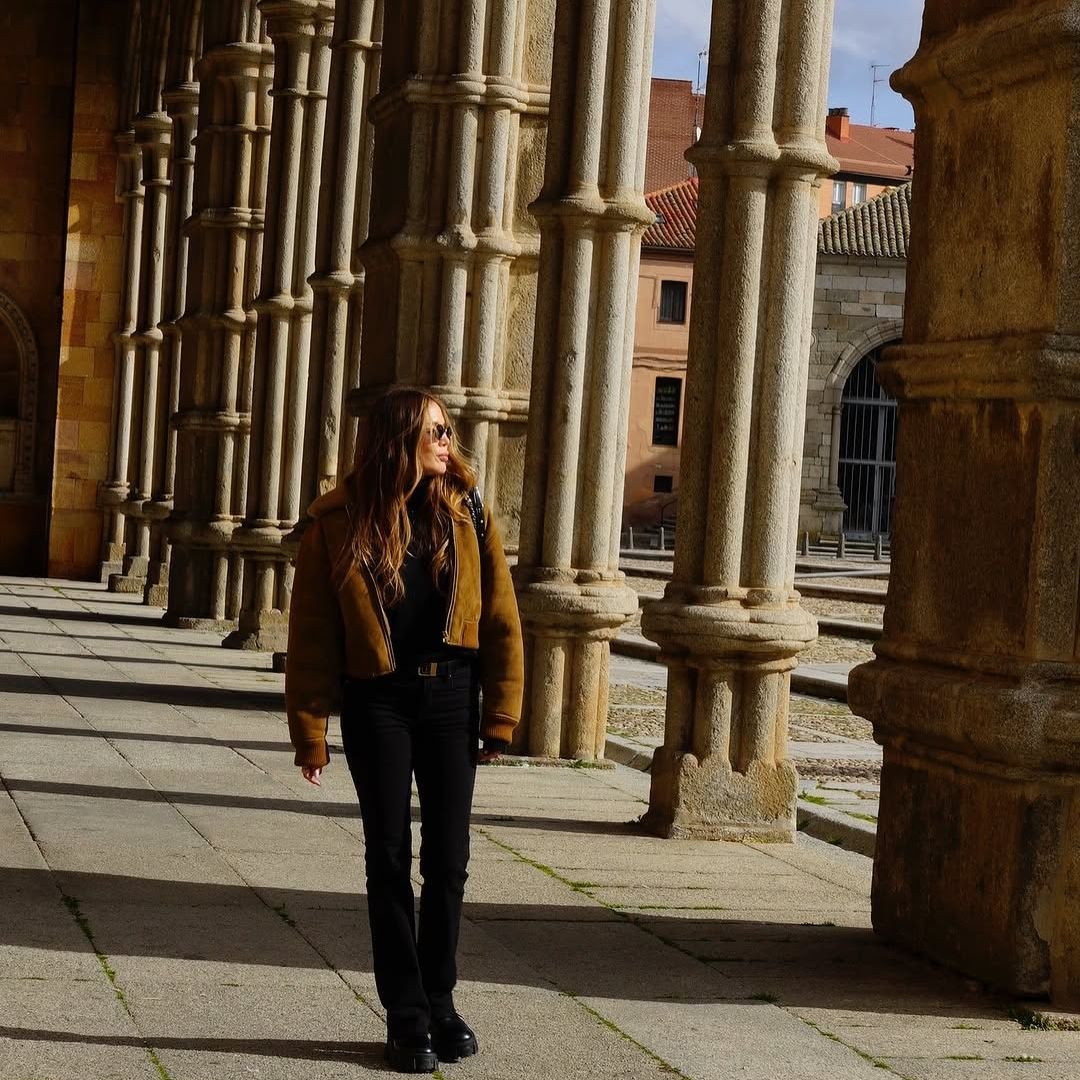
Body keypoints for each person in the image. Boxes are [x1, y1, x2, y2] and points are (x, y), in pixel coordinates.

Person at [285, 387, 524, 1073]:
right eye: (435, 432)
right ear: (398, 441)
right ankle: (407, 1014)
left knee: (448, 861)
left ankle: (441, 998)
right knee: (387, 859)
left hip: (452, 697)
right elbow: (311, 637)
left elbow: (502, 619)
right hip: (378, 703)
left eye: (448, 430)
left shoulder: (470, 512)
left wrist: (501, 713)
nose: (448, 443)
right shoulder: (337, 523)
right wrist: (311, 729)